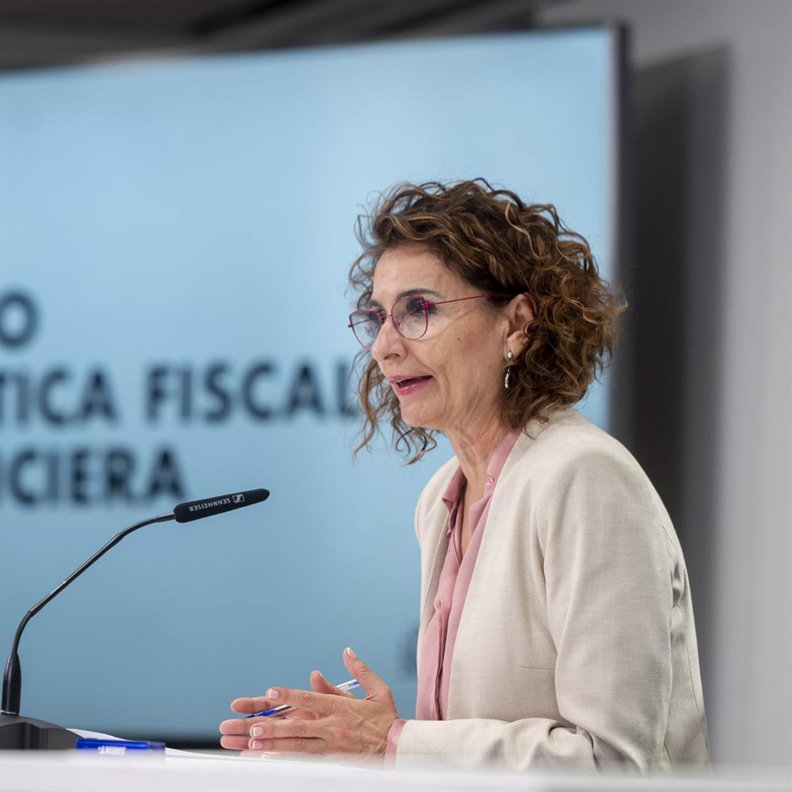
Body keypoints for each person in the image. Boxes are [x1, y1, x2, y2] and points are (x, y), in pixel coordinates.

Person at [218, 180, 710, 771]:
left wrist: (393, 740)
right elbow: (463, 751)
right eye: (378, 317)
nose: (383, 347)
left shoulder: (586, 479)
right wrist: (357, 740)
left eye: (418, 310)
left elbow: (614, 764)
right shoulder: (439, 499)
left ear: (517, 324)